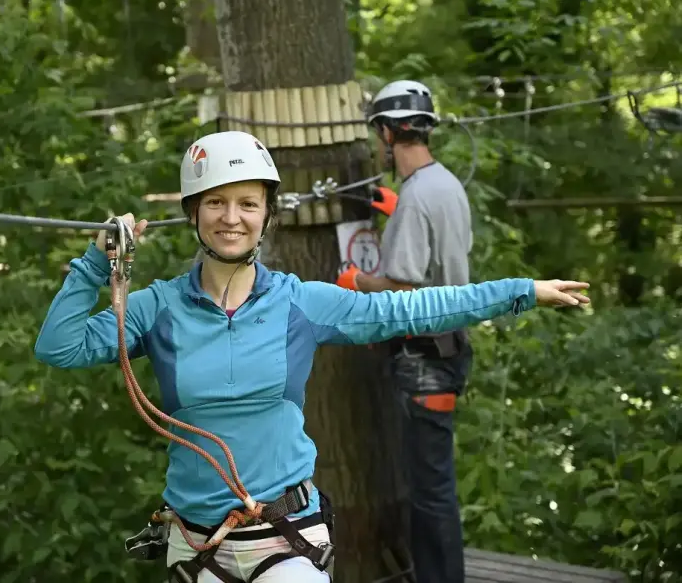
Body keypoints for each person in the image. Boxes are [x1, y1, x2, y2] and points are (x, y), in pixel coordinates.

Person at [33, 130, 589, 583]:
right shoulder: (158, 308)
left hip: (285, 537)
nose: (232, 217)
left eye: (248, 204)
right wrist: (92, 266)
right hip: (197, 543)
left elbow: (411, 309)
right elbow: (60, 347)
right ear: (194, 213)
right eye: (216, 203)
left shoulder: (300, 303)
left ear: (267, 215)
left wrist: (521, 290)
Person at [336, 79, 479, 583]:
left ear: (387, 133)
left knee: (430, 492)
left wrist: (353, 282)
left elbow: (400, 282)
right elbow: (437, 246)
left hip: (425, 361)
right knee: (431, 485)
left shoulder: (418, 198)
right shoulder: (442, 186)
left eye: (379, 132)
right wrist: (398, 213)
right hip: (446, 352)